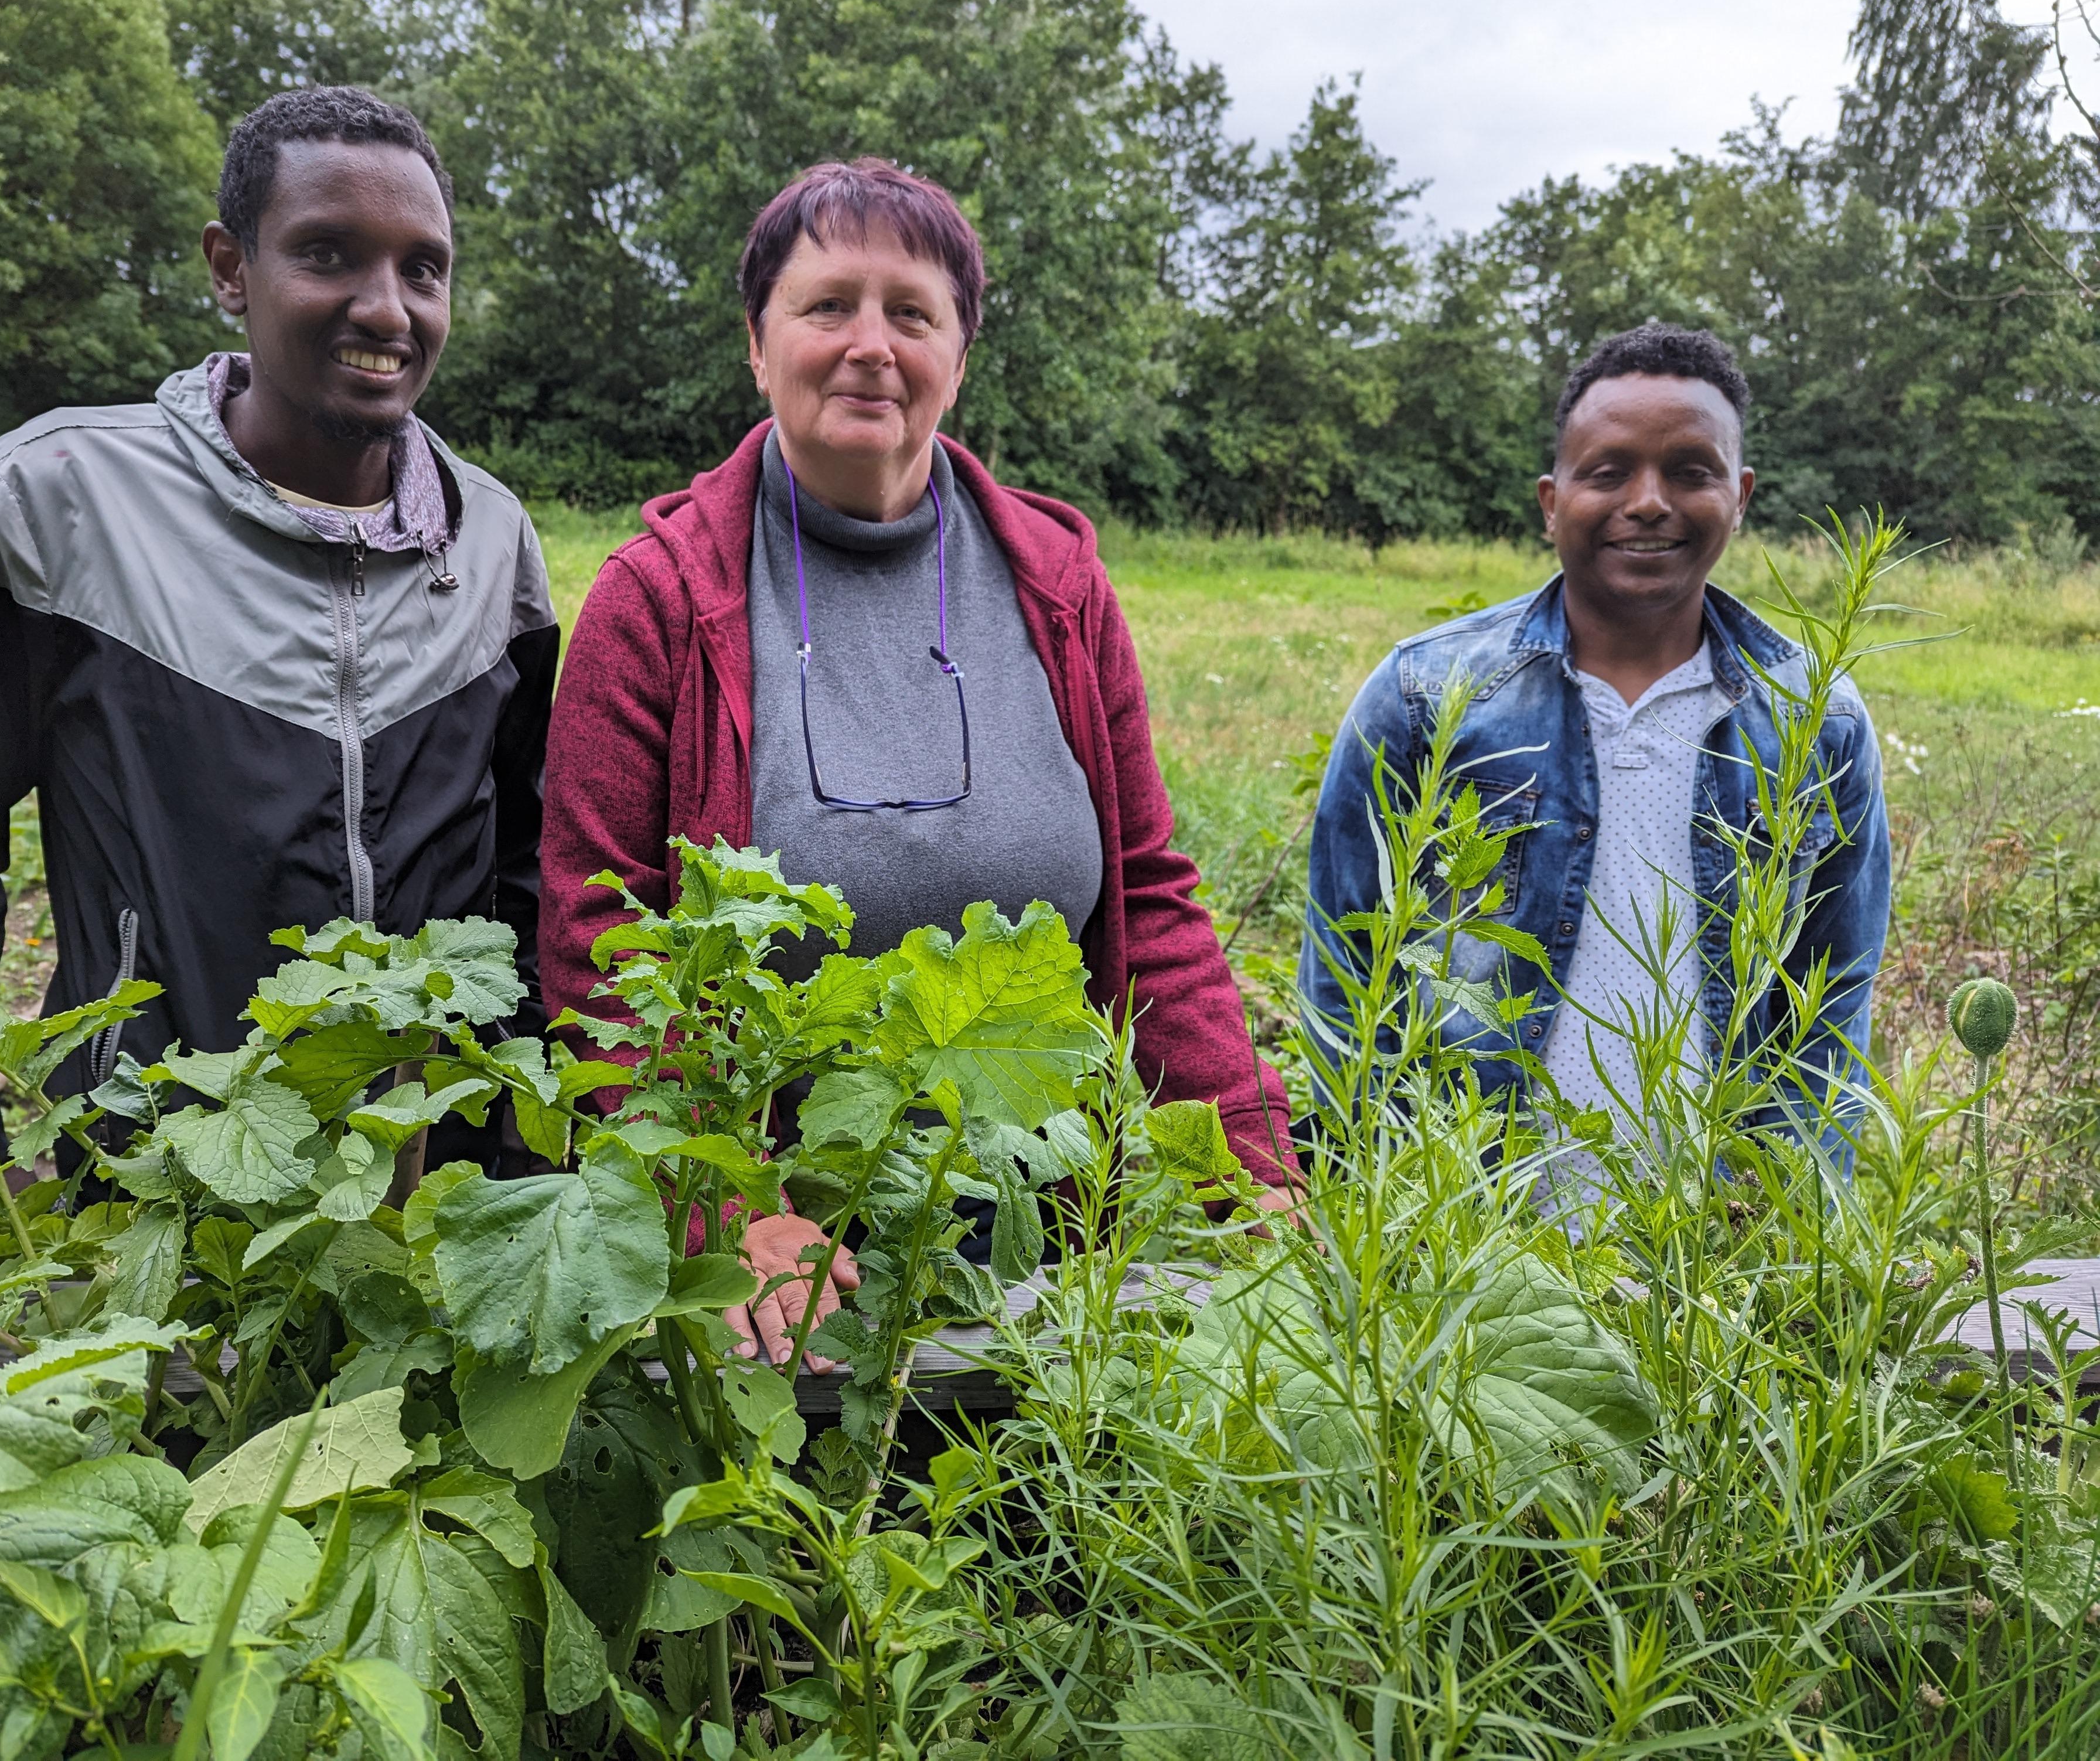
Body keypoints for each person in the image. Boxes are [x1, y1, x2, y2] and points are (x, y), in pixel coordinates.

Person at [541, 158, 1299, 1367]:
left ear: (960, 351)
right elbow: (598, 940)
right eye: (827, 304)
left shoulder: (1057, 585)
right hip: (790, 1289)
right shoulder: (661, 602)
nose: (870, 345)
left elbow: (1148, 896)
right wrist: (722, 1208)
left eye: (912, 311)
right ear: (756, 342)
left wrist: (1250, 1171)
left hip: (1052, 1254)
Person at [0, 86, 558, 1169]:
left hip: (431, 1186)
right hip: (161, 1172)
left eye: (423, 269)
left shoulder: (492, 540)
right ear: (232, 269)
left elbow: (520, 859)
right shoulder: (59, 500)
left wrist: (513, 1148)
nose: (387, 309)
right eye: (328, 255)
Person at [1298, 324, 1888, 1181]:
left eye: (1692, 470)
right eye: (1608, 471)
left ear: (1742, 494)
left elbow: (1833, 999)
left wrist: (1794, 1219)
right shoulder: (1426, 693)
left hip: (1706, 1252)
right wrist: (1365, 1195)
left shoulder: (1816, 720)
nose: (1649, 500)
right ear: (1550, 501)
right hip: (1467, 1224)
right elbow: (1345, 968)